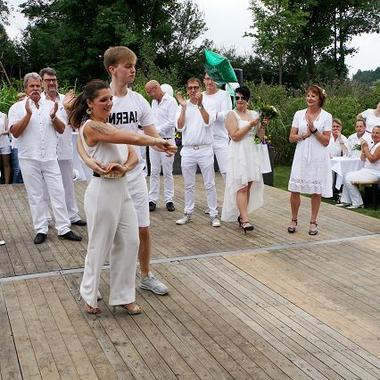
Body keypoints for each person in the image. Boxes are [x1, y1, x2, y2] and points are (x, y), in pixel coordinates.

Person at [70, 80, 175, 314]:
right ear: (89, 104)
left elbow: (133, 155)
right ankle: (89, 295)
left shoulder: (108, 126)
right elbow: (134, 139)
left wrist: (123, 168)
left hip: (122, 189)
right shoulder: (92, 127)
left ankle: (123, 296)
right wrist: (159, 140)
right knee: (99, 244)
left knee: (130, 241)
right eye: (103, 100)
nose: (109, 103)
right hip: (101, 192)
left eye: (110, 99)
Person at [8, 72, 82, 244]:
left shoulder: (51, 105)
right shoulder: (17, 108)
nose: (35, 89)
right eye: (31, 86)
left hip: (50, 157)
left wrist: (53, 117)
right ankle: (41, 229)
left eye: (37, 85)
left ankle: (63, 228)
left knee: (58, 191)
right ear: (25, 89)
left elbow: (62, 129)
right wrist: (27, 115)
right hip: (29, 157)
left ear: (41, 86)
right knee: (36, 194)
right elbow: (16, 132)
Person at [40, 67, 86, 226]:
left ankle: (72, 215)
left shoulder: (67, 99)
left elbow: (75, 123)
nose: (51, 83)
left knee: (68, 183)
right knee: (44, 186)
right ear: (42, 82)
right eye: (47, 80)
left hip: (64, 148)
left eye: (53, 80)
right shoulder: (37, 101)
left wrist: (68, 108)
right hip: (45, 151)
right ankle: (45, 218)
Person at [175, 77, 221, 227]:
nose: (193, 91)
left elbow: (208, 122)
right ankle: (188, 213)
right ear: (187, 90)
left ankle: (214, 214)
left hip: (205, 149)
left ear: (200, 88)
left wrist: (200, 106)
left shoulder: (209, 104)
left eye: (195, 87)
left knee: (209, 184)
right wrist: (182, 107)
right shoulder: (183, 105)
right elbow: (180, 127)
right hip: (188, 150)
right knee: (188, 185)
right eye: (190, 88)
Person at [288, 85, 332, 236]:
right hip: (301, 155)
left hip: (318, 157)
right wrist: (304, 135)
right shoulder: (298, 114)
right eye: (308, 95)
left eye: (313, 96)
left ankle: (313, 221)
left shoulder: (326, 116)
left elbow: (326, 141)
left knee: (316, 190)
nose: (309, 98)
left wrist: (314, 130)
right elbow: (291, 137)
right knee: (295, 189)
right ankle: (294, 219)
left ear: (320, 98)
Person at [221, 86, 265, 232]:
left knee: (249, 184)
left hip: (252, 151)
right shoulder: (231, 114)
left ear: (248, 100)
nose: (239, 100)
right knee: (242, 186)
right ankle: (245, 220)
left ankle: (242, 215)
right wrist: (250, 125)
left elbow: (260, 138)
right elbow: (235, 136)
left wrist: (262, 125)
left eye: (242, 98)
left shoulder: (254, 114)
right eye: (237, 97)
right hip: (239, 152)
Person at [145, 80, 177, 212]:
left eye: (149, 92)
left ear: (156, 88)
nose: (149, 95)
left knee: (168, 172)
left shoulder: (171, 101)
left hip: (167, 140)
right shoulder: (154, 102)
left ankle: (169, 199)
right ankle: (152, 199)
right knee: (154, 171)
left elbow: (172, 122)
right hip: (155, 141)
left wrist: (156, 130)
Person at [338, 126, 380, 209]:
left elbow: (372, 159)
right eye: (373, 132)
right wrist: (363, 151)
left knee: (348, 178)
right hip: (367, 170)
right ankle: (346, 201)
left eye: (377, 133)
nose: (374, 135)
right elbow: (363, 159)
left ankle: (358, 203)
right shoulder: (372, 144)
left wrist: (365, 148)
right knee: (346, 174)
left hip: (375, 172)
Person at [202, 73, 232, 180]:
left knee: (227, 172)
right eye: (207, 79)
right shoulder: (201, 96)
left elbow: (226, 115)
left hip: (220, 138)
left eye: (213, 79)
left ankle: (231, 197)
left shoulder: (224, 95)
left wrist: (209, 115)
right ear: (204, 80)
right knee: (207, 175)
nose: (210, 82)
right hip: (204, 140)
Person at [10, 93, 26, 184]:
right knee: (18, 169)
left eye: (23, 98)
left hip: (26, 145)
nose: (22, 100)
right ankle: (15, 186)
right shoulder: (15, 110)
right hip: (16, 144)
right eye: (20, 99)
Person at [0, 111, 11, 184]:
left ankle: (7, 184)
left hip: (4, 142)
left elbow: (8, 130)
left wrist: (1, 133)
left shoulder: (3, 115)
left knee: (6, 164)